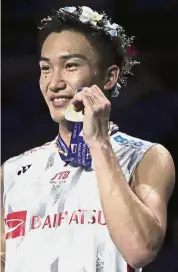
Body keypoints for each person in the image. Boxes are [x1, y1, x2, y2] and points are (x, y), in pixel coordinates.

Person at [1, 6, 175, 272]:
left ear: (109, 77)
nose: (54, 82)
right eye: (45, 68)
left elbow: (140, 250)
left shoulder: (147, 157)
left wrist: (99, 143)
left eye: (70, 65)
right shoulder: (12, 171)